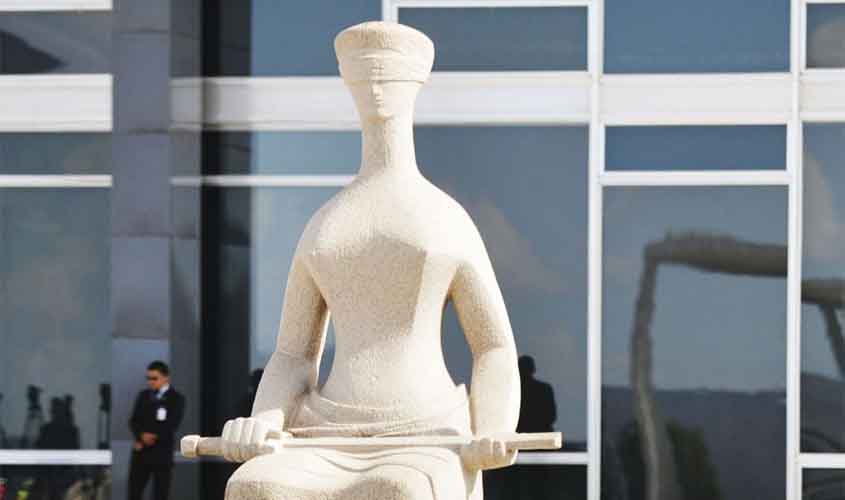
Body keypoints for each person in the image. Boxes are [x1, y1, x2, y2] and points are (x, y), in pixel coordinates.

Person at [219, 21, 522, 500]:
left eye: (387, 76)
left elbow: (494, 347)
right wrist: (263, 421)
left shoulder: (444, 217)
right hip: (324, 430)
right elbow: (294, 354)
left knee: (399, 490)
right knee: (253, 486)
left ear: (414, 83)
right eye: (365, 78)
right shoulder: (326, 223)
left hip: (426, 430)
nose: (377, 89)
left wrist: (494, 425)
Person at [128, 360, 185, 500]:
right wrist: (141, 435)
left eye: (154, 378)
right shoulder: (144, 396)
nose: (151, 382)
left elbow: (173, 424)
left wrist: (154, 436)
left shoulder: (176, 398)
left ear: (166, 378)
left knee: (160, 493)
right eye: (148, 378)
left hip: (162, 454)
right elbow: (134, 420)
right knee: (134, 492)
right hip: (142, 453)